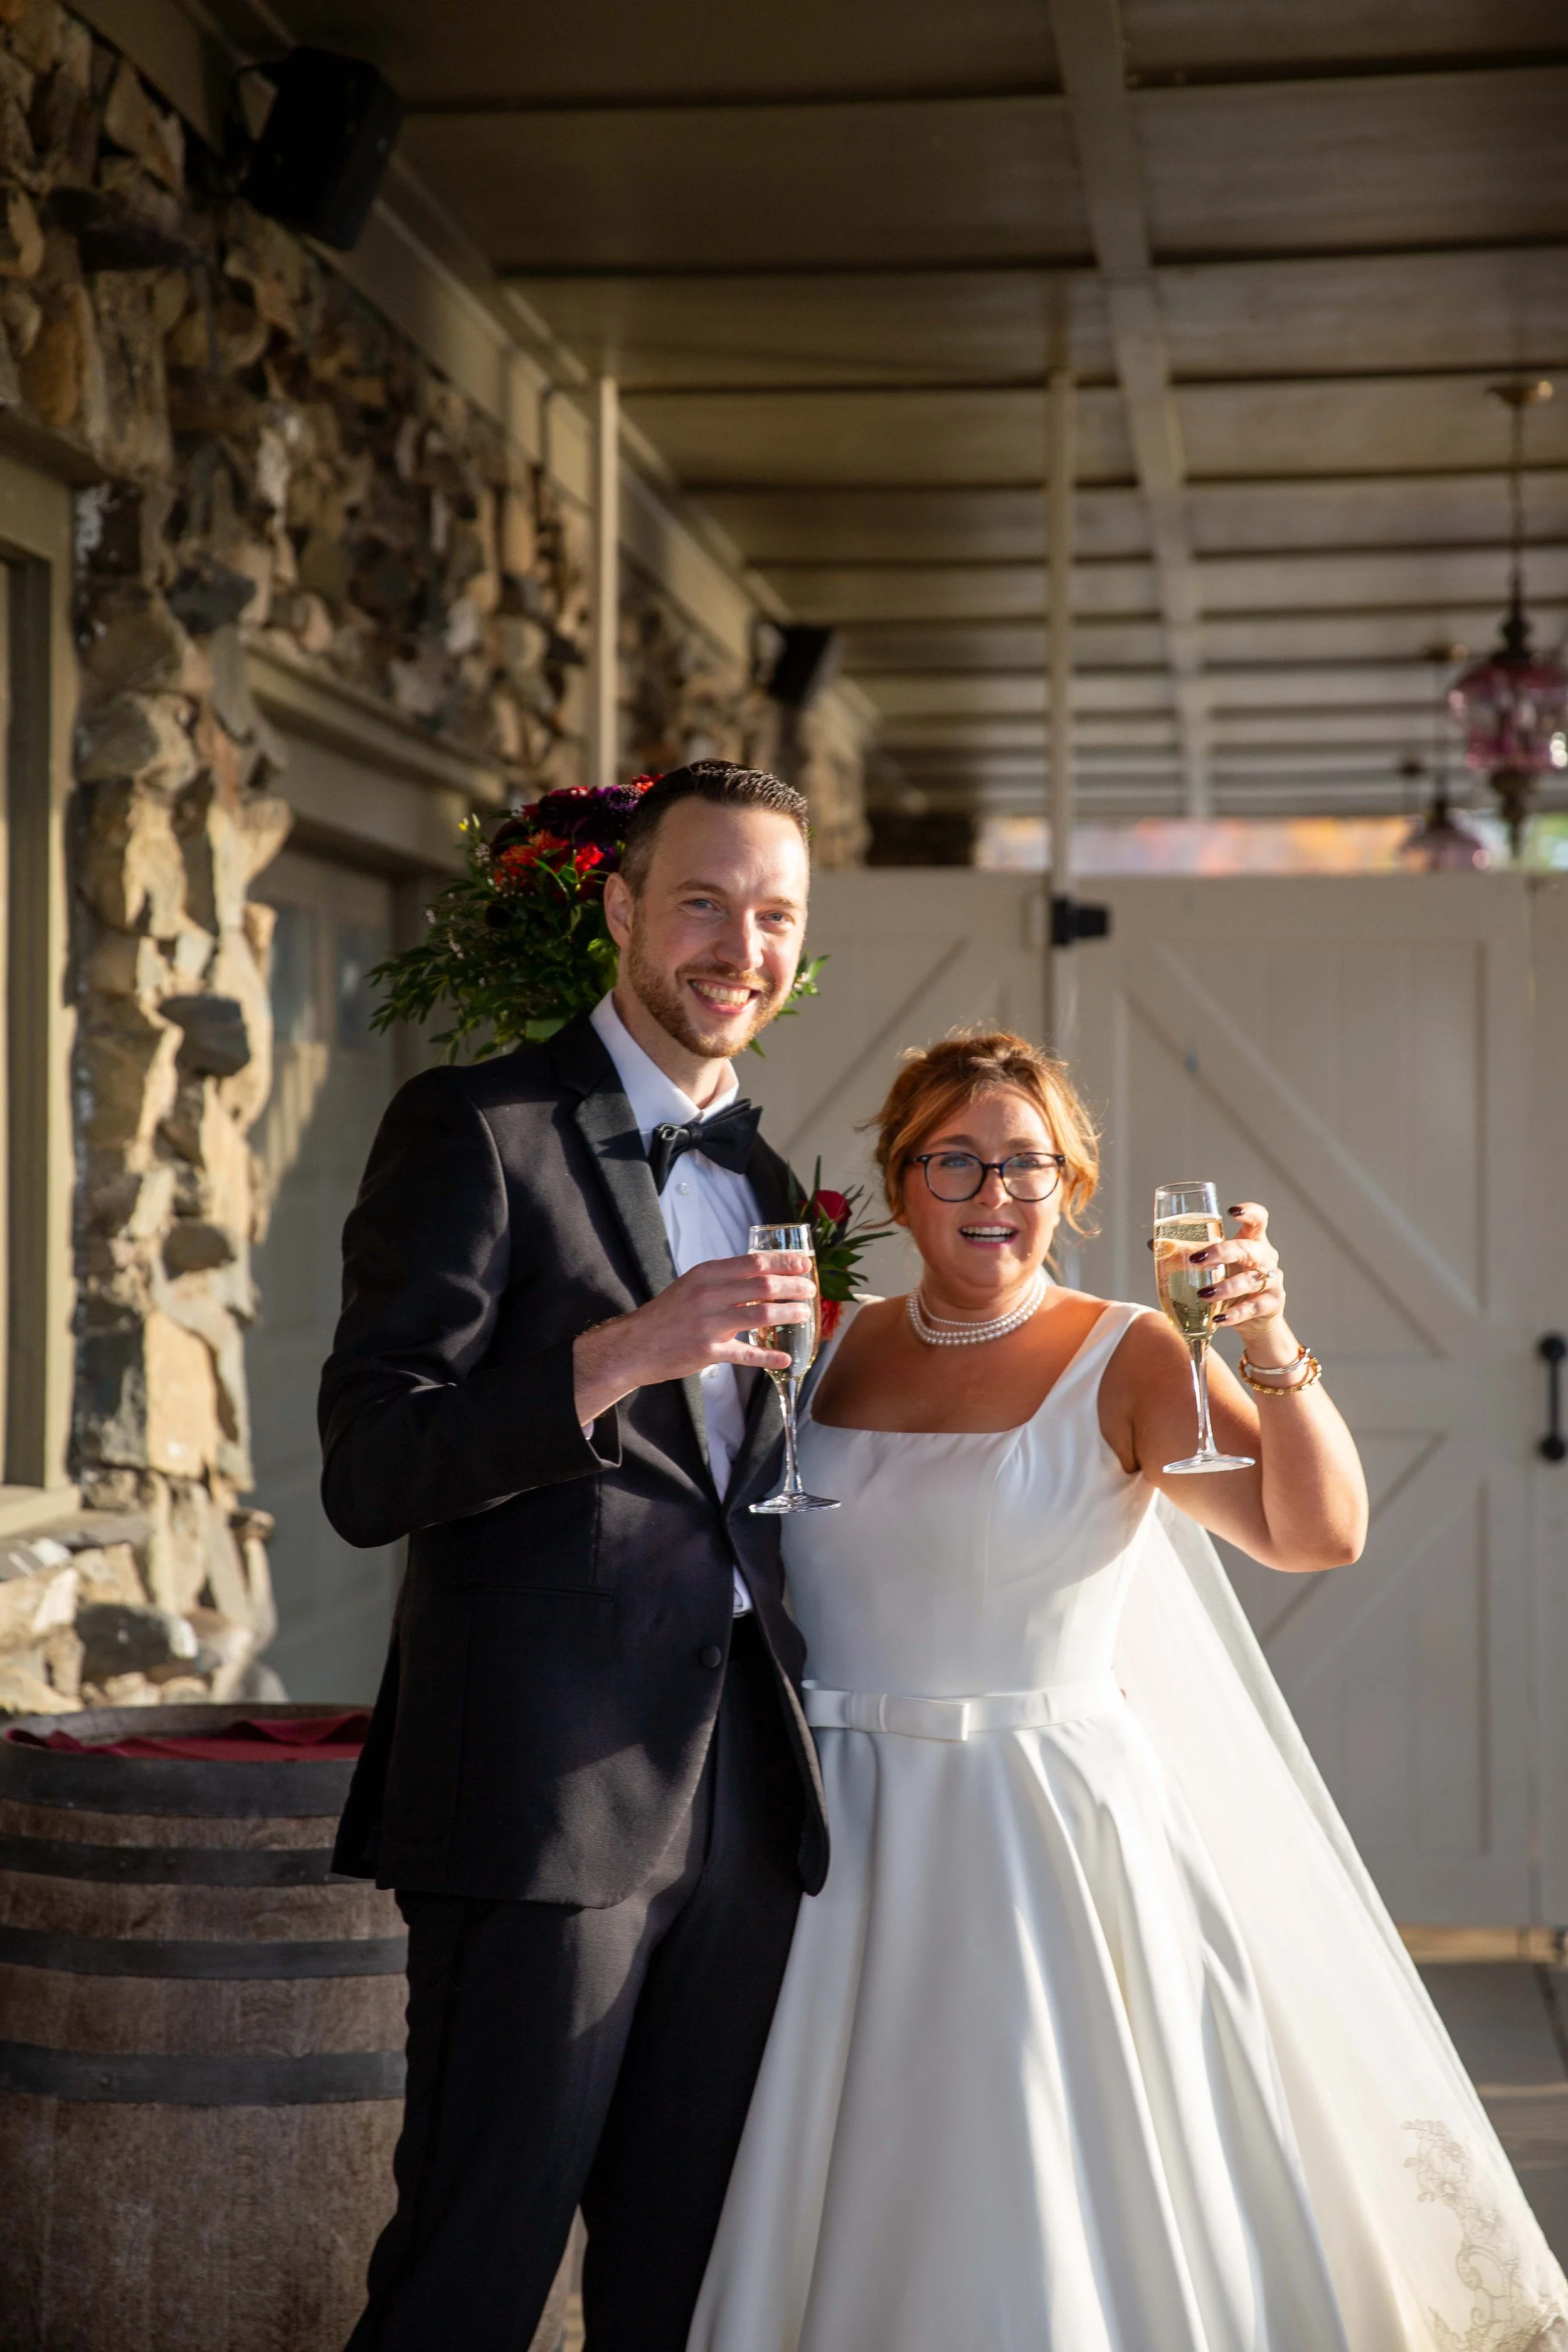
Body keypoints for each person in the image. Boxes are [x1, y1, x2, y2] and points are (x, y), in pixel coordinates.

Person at [688, 1029, 1568, 2352]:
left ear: (1073, 1185)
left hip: (1037, 1831)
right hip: (832, 1831)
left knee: (1025, 2166)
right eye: (958, 1162)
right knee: (852, 2170)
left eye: (1028, 1165)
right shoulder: (828, 1345)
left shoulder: (1130, 1354)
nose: (995, 1194)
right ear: (899, 1181)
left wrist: (1267, 1333)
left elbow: (1312, 1532)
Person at [320, 761, 830, 2352]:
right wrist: (619, 1353)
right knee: (473, 2269)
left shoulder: (760, 1174)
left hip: (741, 1798)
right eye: (699, 902)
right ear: (616, 909)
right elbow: (370, 1465)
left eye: (771, 917)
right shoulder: (472, 1127)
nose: (735, 947)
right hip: (538, 1800)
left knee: (682, 2279)